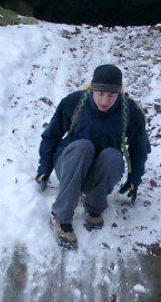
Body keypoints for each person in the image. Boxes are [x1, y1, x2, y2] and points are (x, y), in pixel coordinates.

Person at [35, 64, 151, 249]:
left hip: (100, 170)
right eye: (100, 94)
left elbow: (139, 147)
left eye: (111, 95)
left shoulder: (129, 111)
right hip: (70, 163)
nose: (104, 101)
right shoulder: (73, 103)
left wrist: (134, 178)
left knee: (113, 155)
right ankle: (61, 217)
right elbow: (52, 136)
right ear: (92, 89)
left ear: (119, 93)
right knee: (83, 146)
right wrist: (44, 169)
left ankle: (94, 206)